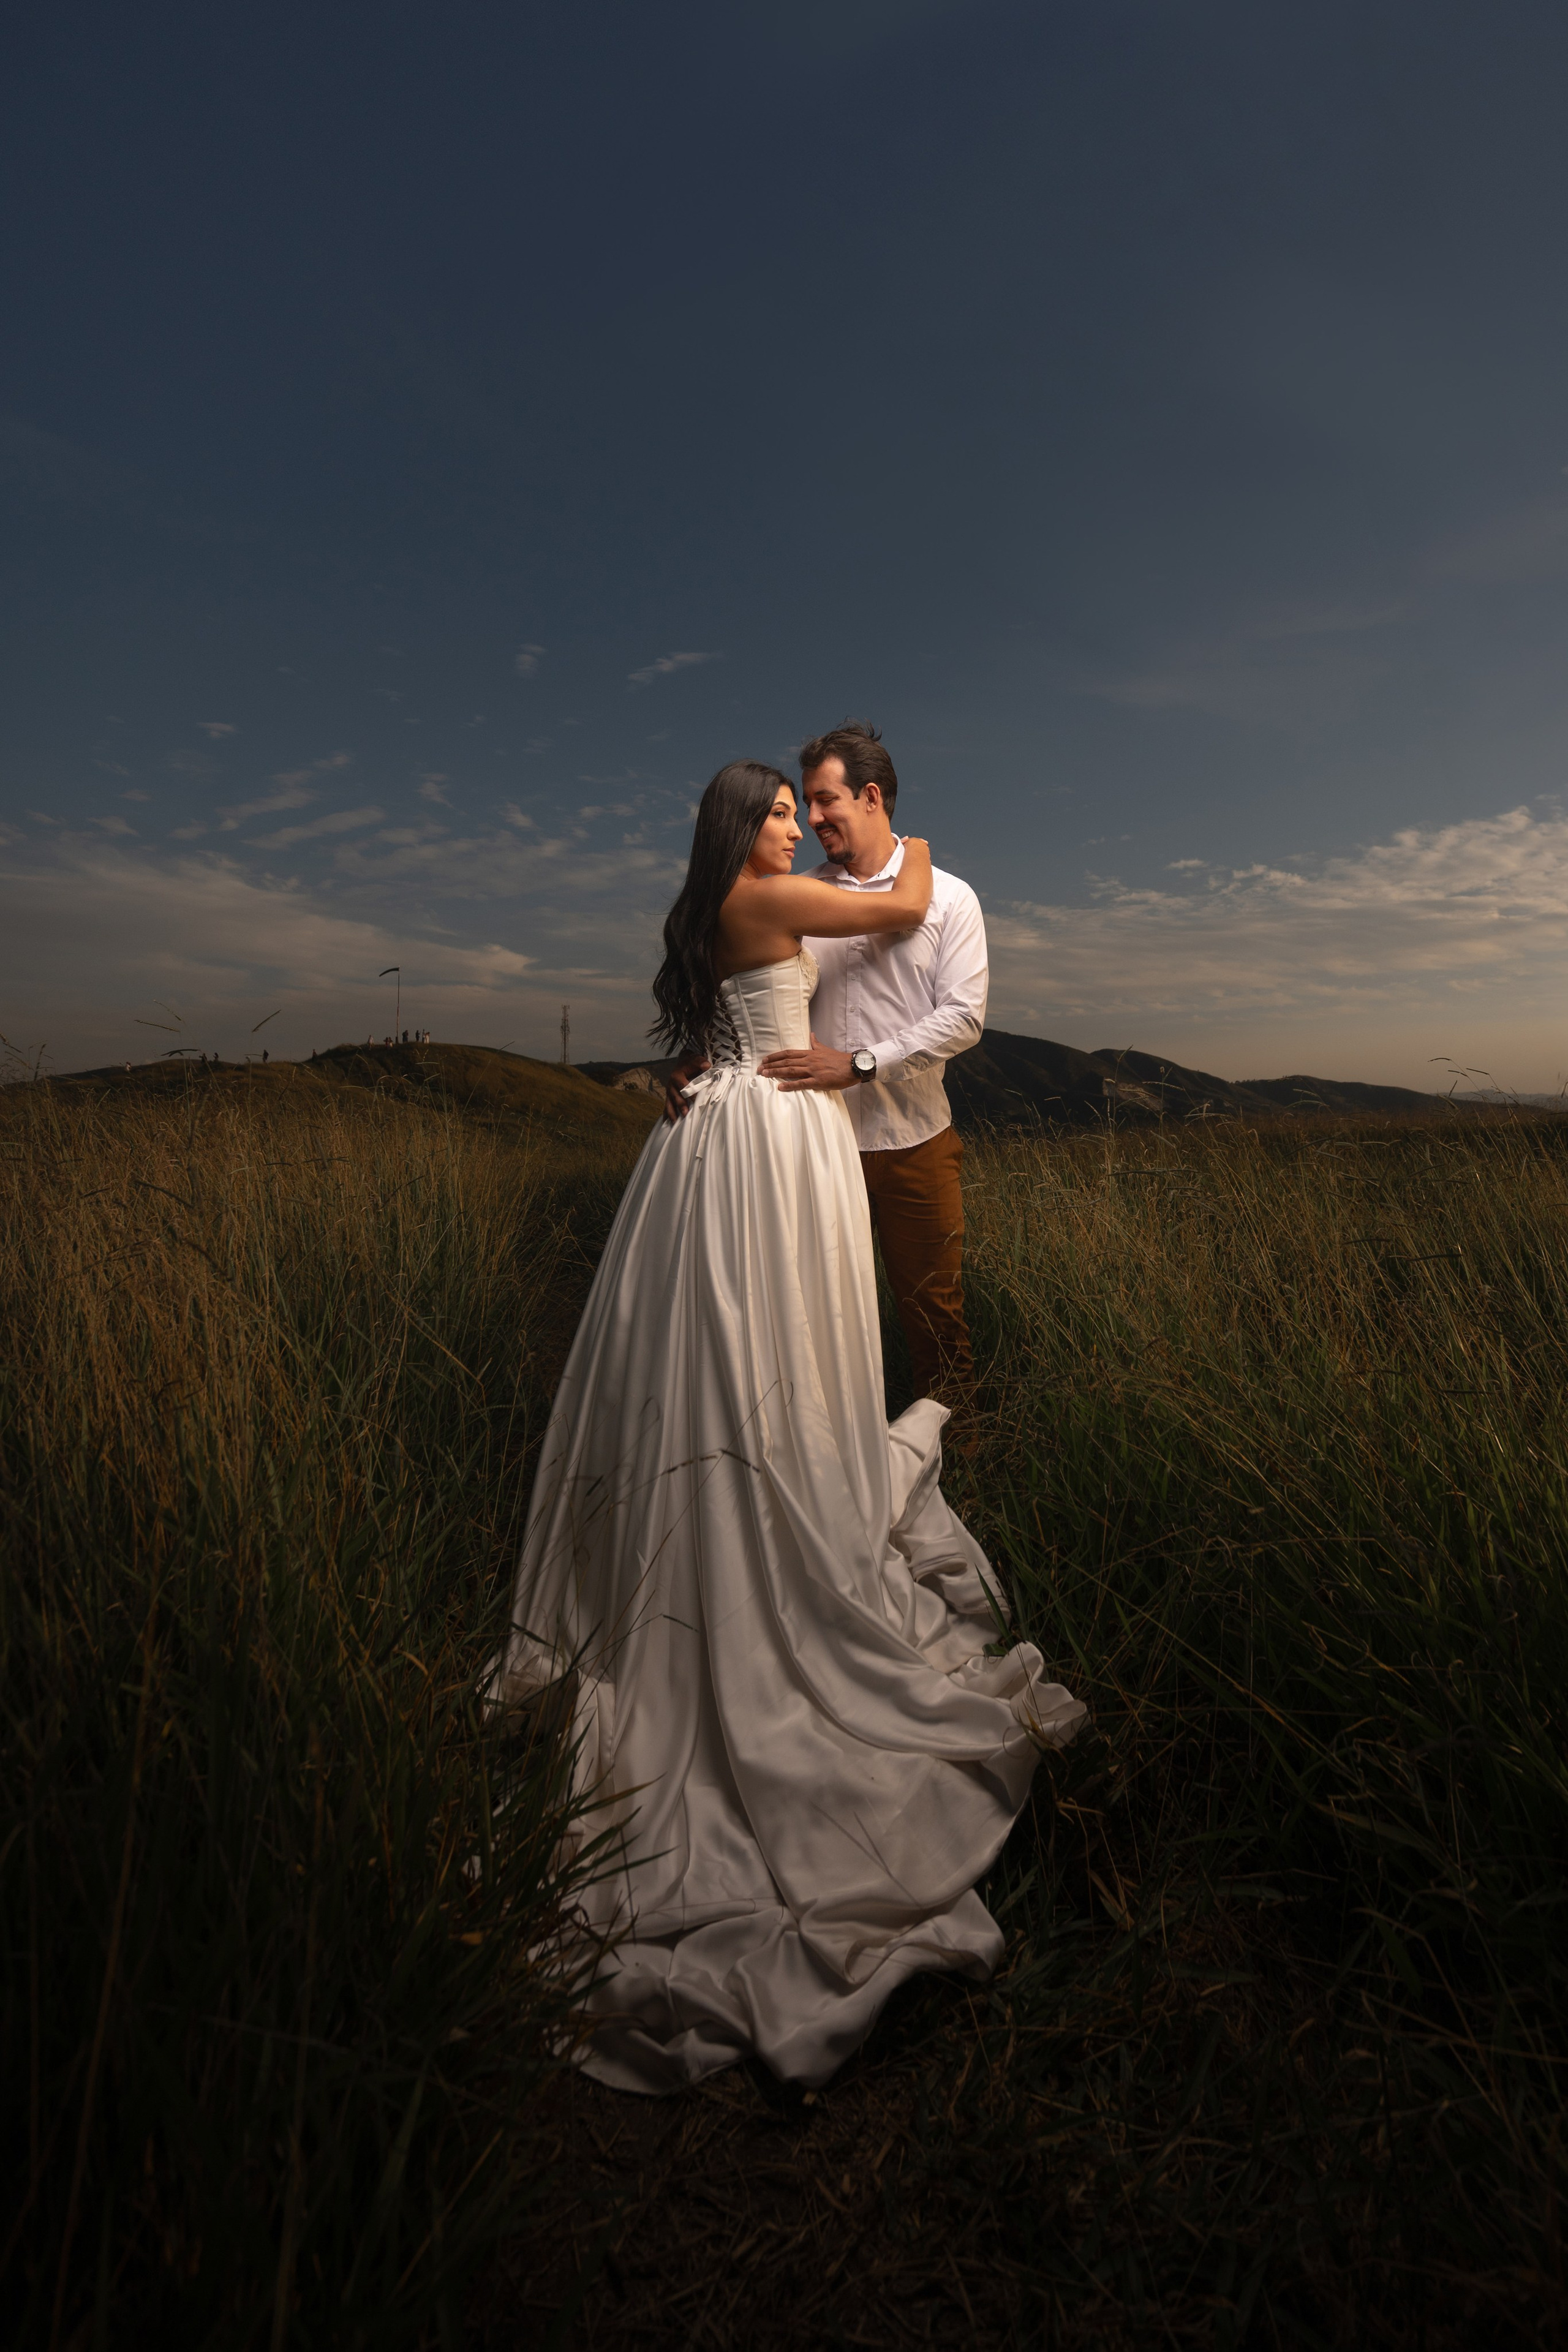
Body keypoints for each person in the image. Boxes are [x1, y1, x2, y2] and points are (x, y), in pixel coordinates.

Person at [488, 760, 1082, 2095]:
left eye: (796, 808)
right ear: (738, 831)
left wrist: (701, 1064)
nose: (789, 826)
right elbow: (901, 900)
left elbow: (740, 1015)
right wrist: (909, 833)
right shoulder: (769, 896)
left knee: (723, 1344)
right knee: (770, 1347)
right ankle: (770, 1528)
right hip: (778, 1134)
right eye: (771, 812)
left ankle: (731, 1501)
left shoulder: (718, 910)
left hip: (729, 1126)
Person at [669, 723, 983, 1421]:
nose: (809, 822)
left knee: (933, 1307)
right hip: (808, 1146)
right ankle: (831, 1442)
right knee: (812, 1311)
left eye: (821, 801)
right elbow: (750, 990)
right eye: (797, 807)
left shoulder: (952, 898)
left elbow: (963, 1016)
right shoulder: (793, 892)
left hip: (911, 1144)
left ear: (869, 797)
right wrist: (707, 1058)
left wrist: (860, 1065)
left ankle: (963, 1447)